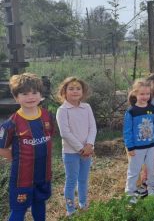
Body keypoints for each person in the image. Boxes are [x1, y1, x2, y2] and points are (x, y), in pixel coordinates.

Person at [0, 73, 56, 221]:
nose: (30, 97)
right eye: (25, 94)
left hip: (43, 175)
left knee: (40, 204)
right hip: (22, 178)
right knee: (19, 210)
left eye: (34, 92)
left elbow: (50, 137)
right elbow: (2, 148)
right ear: (16, 97)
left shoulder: (47, 116)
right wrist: (19, 160)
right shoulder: (11, 123)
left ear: (40, 95)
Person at [56, 77, 97, 216]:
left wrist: (90, 145)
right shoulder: (63, 110)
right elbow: (65, 133)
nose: (75, 91)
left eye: (78, 88)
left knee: (83, 179)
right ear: (64, 92)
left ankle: (83, 204)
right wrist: (81, 149)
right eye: (71, 89)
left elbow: (93, 127)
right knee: (71, 180)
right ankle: (70, 210)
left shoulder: (86, 107)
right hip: (71, 153)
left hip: (87, 151)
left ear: (83, 92)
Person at [123, 79, 154, 202]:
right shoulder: (131, 111)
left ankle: (151, 188)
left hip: (151, 145)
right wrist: (130, 147)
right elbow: (127, 131)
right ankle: (130, 192)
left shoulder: (151, 107)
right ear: (135, 93)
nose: (145, 97)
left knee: (151, 168)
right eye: (142, 94)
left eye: (147, 94)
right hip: (137, 147)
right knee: (134, 170)